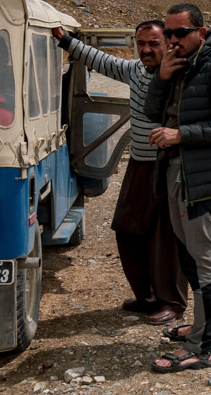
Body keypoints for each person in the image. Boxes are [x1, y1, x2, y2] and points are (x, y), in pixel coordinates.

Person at [52, 20, 186, 327]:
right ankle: (147, 296)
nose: (146, 49)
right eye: (141, 43)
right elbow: (101, 60)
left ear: (167, 44)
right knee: (127, 228)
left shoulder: (180, 74)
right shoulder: (133, 70)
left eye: (153, 43)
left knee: (164, 237)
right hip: (140, 163)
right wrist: (66, 40)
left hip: (169, 164)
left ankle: (173, 302)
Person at [144, 1, 211, 372]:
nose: (173, 40)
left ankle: (201, 347)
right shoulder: (177, 67)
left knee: (201, 256)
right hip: (176, 171)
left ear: (201, 33)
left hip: (200, 177)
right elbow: (151, 113)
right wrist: (162, 78)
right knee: (187, 252)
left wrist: (180, 135)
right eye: (168, 33)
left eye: (180, 33)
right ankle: (208, 325)